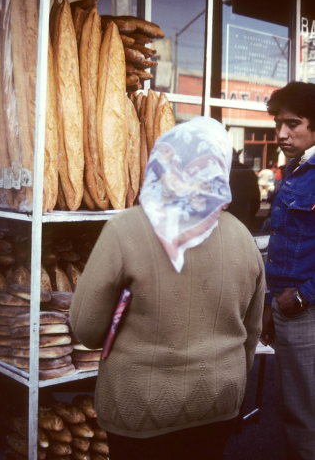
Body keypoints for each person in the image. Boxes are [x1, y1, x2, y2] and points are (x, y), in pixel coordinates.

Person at [70, 117, 265, 460]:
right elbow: (251, 332)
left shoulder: (125, 229)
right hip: (218, 402)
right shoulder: (243, 238)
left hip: (139, 408)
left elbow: (87, 328)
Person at [260, 81, 315, 460]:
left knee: (305, 419)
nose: (281, 133)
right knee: (290, 411)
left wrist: (302, 295)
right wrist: (269, 304)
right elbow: (280, 245)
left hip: (306, 311)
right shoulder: (295, 170)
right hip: (287, 308)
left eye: (293, 123)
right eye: (278, 123)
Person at [226, 148, 260, 229]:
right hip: (243, 214)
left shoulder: (222, 171)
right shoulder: (248, 171)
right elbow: (256, 200)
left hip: (227, 214)